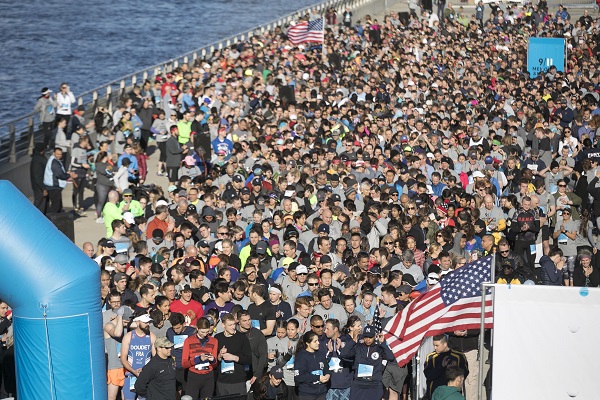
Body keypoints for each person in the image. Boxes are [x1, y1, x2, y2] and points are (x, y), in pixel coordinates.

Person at [340, 325, 395, 400]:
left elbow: (391, 358)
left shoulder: (379, 348)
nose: (368, 339)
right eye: (366, 337)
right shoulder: (358, 347)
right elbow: (343, 354)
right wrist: (353, 340)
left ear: (375, 336)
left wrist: (383, 343)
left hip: (374, 385)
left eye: (370, 337)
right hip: (359, 384)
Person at [215, 312, 253, 396]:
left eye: (234, 324)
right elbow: (215, 360)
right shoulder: (218, 338)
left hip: (237, 381)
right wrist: (220, 355)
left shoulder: (242, 338)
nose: (233, 327)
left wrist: (234, 357)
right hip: (222, 381)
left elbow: (249, 359)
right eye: (230, 325)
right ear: (223, 325)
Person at [120, 313, 156, 400]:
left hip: (146, 377)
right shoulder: (129, 336)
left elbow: (155, 359)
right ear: (137, 322)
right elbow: (123, 358)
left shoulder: (152, 336)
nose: (147, 324)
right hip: (131, 376)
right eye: (145, 322)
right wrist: (134, 371)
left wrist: (145, 370)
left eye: (148, 322)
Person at [181, 317, 219, 399]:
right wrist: (198, 359)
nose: (205, 334)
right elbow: (184, 364)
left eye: (207, 332)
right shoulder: (188, 341)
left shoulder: (214, 341)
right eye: (202, 332)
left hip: (208, 377)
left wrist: (213, 360)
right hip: (194, 376)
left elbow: (215, 364)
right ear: (197, 328)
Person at [424, 335, 468, 400]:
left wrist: (453, 369)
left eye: (437, 345)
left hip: (452, 394)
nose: (435, 348)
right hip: (435, 393)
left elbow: (464, 374)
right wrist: (441, 367)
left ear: (445, 344)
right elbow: (428, 375)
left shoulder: (458, 356)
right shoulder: (431, 357)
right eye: (434, 345)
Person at [294, 331, 331, 400]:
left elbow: (326, 369)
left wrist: (328, 375)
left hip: (321, 393)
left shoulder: (321, 354)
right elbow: (299, 376)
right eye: (315, 341)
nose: (318, 343)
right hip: (307, 394)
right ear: (308, 343)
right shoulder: (301, 356)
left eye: (318, 340)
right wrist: (318, 378)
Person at [43, 147, 76, 213]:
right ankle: (52, 221)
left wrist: (66, 174)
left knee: (58, 205)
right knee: (55, 206)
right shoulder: (54, 162)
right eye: (57, 154)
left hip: (53, 186)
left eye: (60, 154)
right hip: (54, 186)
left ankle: (54, 219)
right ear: (53, 153)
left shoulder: (54, 160)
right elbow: (59, 175)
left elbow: (59, 173)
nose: (59, 156)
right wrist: (69, 175)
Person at [30, 142, 48, 212]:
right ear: (42, 150)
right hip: (39, 188)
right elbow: (37, 176)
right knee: (39, 207)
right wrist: (43, 188)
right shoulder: (38, 160)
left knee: (42, 205)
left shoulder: (36, 158)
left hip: (39, 186)